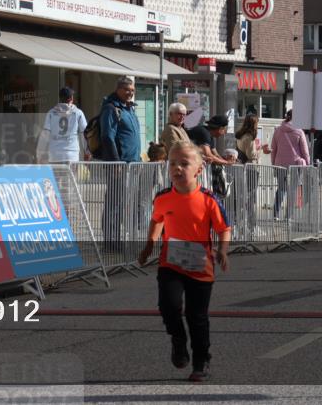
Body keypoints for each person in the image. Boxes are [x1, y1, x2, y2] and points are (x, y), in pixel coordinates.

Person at [137, 142, 231, 383]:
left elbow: (224, 228)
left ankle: (201, 361)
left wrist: (222, 250)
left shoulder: (209, 200)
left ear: (198, 170)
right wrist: (150, 244)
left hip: (200, 268)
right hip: (171, 263)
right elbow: (157, 220)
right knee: (168, 306)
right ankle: (178, 340)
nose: (177, 168)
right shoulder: (163, 198)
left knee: (196, 316)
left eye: (184, 164)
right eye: (172, 163)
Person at [99, 76, 141, 248]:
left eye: (132, 90)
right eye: (126, 89)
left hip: (131, 164)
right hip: (119, 164)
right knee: (114, 203)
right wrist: (116, 162)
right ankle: (110, 241)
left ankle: (117, 238)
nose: (130, 93)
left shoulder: (129, 109)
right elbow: (107, 137)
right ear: (118, 89)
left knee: (122, 202)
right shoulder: (111, 108)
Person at [270, 110, 310, 220]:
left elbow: (273, 149)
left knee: (281, 189)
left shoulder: (278, 130)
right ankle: (288, 216)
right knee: (292, 190)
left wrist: (273, 163)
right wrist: (308, 162)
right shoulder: (299, 132)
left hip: (280, 164)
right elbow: (305, 151)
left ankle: (275, 214)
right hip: (295, 165)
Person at [235, 114, 269, 237]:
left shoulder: (240, 135)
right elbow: (251, 155)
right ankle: (252, 226)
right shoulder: (249, 137)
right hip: (251, 169)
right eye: (257, 123)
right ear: (254, 123)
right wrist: (261, 150)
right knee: (250, 199)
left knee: (244, 198)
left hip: (243, 168)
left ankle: (243, 226)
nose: (258, 125)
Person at [36, 87, 89, 164]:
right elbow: (84, 133)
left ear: (60, 98)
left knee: (56, 176)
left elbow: (45, 134)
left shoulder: (51, 113)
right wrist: (87, 151)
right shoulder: (78, 113)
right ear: (71, 98)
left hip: (54, 155)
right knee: (71, 176)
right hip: (72, 155)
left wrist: (39, 154)